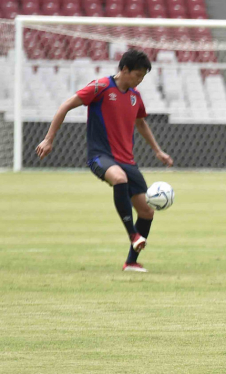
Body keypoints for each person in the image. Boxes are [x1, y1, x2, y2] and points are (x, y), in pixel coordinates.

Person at [35, 50, 173, 273]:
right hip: (100, 156)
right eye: (138, 75)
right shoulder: (100, 87)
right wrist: (49, 139)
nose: (140, 80)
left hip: (127, 160)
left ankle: (131, 262)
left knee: (147, 212)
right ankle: (133, 234)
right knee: (118, 178)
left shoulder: (135, 96)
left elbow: (141, 123)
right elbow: (66, 105)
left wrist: (158, 151)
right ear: (125, 70)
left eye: (143, 77)